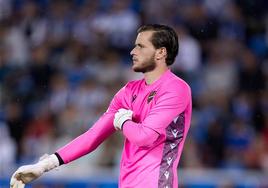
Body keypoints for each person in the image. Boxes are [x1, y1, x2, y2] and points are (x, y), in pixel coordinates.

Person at [10, 24, 192, 188]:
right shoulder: (128, 91)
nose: (132, 51)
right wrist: (44, 165)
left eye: (141, 46)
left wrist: (122, 122)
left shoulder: (176, 89)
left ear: (161, 52)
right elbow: (92, 136)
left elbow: (144, 137)